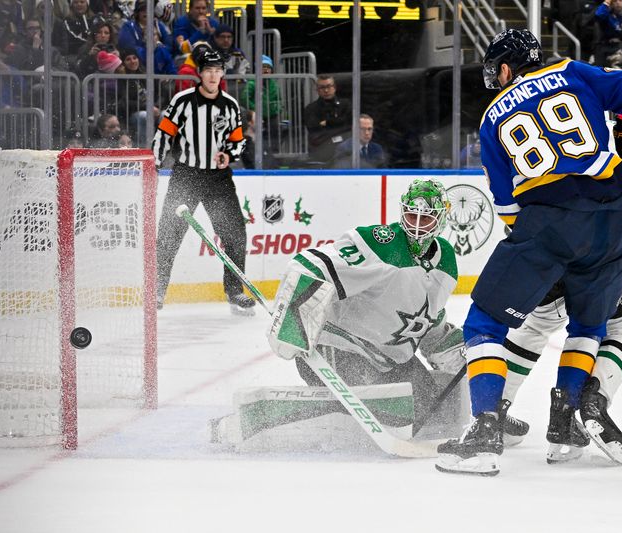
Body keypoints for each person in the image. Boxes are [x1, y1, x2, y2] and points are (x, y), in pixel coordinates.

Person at [434, 29, 622, 476]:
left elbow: (508, 208)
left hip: (547, 221)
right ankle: (563, 429)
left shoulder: (490, 118)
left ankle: (484, 431)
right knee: (590, 324)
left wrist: (550, 255)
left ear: (506, 67)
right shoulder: (574, 71)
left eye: (494, 71)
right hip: (611, 217)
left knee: (484, 322)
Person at [499, 144, 622, 463]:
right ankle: (586, 404)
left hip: (539, 241)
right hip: (602, 248)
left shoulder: (549, 110)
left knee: (538, 323)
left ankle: (492, 410)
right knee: (618, 327)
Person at [266, 179, 464, 426]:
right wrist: (291, 322)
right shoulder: (382, 244)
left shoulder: (445, 263)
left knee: (430, 411)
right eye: (412, 216)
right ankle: (268, 419)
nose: (416, 227)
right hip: (338, 349)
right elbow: (309, 265)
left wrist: (466, 360)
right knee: (399, 414)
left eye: (425, 219)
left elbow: (428, 320)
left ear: (441, 218)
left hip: (388, 361)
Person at [151, 50, 253, 316]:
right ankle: (157, 290)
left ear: (222, 73)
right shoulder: (183, 101)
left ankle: (235, 291)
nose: (212, 75)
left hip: (217, 179)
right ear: (199, 73)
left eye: (217, 70)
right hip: (187, 176)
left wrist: (228, 155)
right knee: (169, 235)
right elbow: (164, 133)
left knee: (234, 234)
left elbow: (238, 140)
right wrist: (155, 162)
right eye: (208, 69)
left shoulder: (230, 105)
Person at [303, 74, 352, 167]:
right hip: (321, 152)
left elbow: (349, 125)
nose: (326, 90)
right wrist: (338, 123)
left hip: (345, 152)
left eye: (329, 86)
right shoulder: (311, 109)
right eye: (322, 87)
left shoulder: (346, 104)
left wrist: (328, 123)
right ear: (317, 89)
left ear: (335, 87)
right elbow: (314, 129)